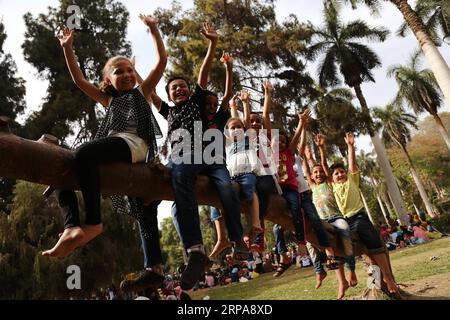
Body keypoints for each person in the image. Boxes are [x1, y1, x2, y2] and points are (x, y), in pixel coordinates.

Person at [42, 14, 167, 258]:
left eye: (131, 70)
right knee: (63, 163)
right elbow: (79, 80)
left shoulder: (142, 92)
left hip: (135, 145)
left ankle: (94, 223)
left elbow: (161, 60)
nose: (128, 74)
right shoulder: (108, 100)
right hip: (117, 148)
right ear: (108, 80)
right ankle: (71, 226)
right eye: (119, 71)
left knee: (84, 152)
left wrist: (153, 29)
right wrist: (68, 48)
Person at [156, 23, 246, 290]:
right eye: (175, 88)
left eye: (184, 86)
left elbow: (208, 79)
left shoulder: (207, 111)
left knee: (226, 189)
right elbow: (148, 88)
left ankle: (236, 238)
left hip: (210, 161)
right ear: (169, 96)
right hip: (181, 157)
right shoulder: (169, 111)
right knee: (173, 206)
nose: (180, 89)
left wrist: (213, 46)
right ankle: (193, 253)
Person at [330, 132, 399, 294]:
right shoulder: (332, 188)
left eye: (341, 172)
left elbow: (352, 164)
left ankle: (388, 278)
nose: (340, 174)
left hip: (359, 218)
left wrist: (350, 146)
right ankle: (354, 275)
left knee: (372, 242)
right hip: (344, 221)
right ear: (332, 178)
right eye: (336, 173)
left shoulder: (352, 181)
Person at [302, 133, 358, 298]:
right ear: (311, 177)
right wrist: (304, 156)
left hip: (336, 217)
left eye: (320, 172)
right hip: (321, 221)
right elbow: (306, 168)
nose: (318, 174)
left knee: (345, 232)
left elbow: (325, 165)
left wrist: (320, 149)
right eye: (315, 173)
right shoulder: (312, 186)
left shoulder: (329, 183)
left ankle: (352, 271)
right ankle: (324, 273)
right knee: (310, 241)